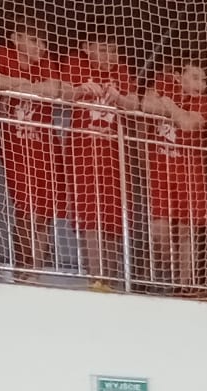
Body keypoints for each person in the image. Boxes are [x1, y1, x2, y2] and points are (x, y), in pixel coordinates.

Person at [0, 24, 68, 277]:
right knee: (24, 208)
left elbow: (53, 89)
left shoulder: (45, 62)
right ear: (15, 38)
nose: (40, 47)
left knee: (44, 212)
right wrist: (20, 82)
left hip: (46, 148)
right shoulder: (2, 54)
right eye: (34, 40)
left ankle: (36, 271)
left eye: (43, 43)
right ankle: (24, 269)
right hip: (17, 147)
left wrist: (15, 87)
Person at [64, 32, 139, 288]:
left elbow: (135, 104)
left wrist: (119, 97)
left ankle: (113, 279)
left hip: (114, 155)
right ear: (87, 47)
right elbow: (61, 92)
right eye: (104, 49)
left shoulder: (122, 71)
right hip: (84, 152)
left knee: (113, 216)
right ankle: (96, 277)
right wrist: (79, 89)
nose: (110, 56)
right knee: (89, 215)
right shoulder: (76, 64)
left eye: (114, 50)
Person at [143, 63, 207, 289]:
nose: (200, 85)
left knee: (186, 231)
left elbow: (188, 124)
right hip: (160, 170)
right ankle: (167, 276)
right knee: (159, 232)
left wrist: (169, 105)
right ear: (178, 76)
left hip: (190, 173)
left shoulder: (204, 102)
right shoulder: (163, 83)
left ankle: (184, 285)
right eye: (195, 77)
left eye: (203, 80)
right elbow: (146, 105)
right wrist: (176, 111)